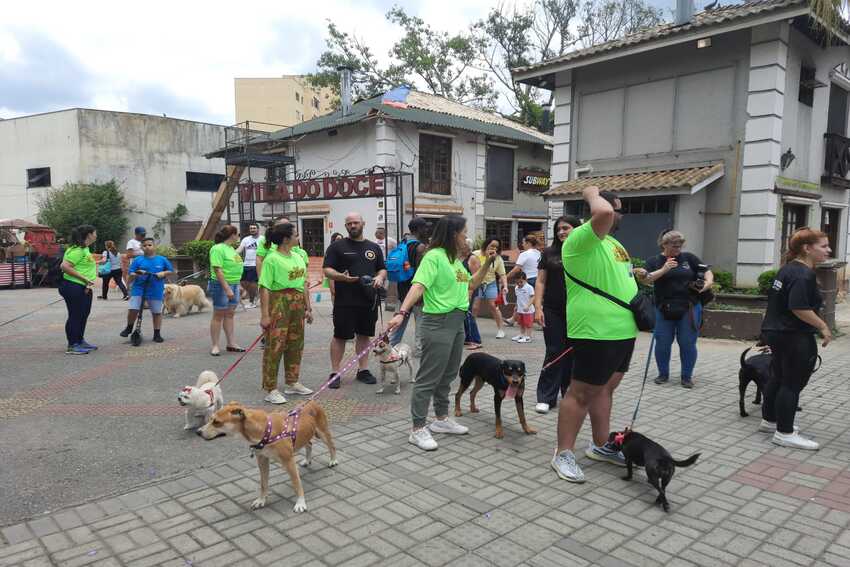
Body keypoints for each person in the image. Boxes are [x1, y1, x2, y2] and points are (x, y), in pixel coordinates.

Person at [386, 215, 496, 451]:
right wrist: (402, 313)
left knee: (447, 374)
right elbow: (419, 286)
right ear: (452, 234)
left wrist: (487, 264)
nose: (466, 237)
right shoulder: (433, 257)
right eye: (464, 232)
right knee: (428, 377)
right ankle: (417, 429)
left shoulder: (455, 261)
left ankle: (441, 419)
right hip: (437, 323)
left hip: (457, 323)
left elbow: (470, 284)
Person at [552, 188, 637, 483]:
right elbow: (602, 213)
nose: (619, 215)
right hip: (594, 331)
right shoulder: (580, 239)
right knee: (581, 393)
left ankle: (602, 446)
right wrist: (591, 192)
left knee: (604, 389)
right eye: (616, 208)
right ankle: (563, 453)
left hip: (623, 330)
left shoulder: (614, 244)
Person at [759, 228, 832, 450]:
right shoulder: (803, 274)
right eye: (824, 246)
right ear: (807, 249)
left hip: (776, 331)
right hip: (792, 334)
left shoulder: (787, 269)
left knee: (779, 377)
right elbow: (799, 307)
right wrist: (823, 326)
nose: (828, 250)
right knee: (792, 383)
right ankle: (785, 433)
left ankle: (770, 420)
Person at [637, 230, 714, 388]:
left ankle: (686, 377)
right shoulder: (654, 261)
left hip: (689, 307)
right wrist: (665, 269)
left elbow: (707, 272)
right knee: (663, 343)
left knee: (687, 343)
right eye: (674, 245)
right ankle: (663, 374)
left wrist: (707, 284)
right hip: (663, 308)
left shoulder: (689, 258)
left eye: (680, 245)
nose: (678, 248)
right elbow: (646, 280)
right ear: (664, 244)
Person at [322, 212, 386, 388]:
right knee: (340, 336)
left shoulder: (374, 248)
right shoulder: (337, 247)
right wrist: (341, 277)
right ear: (346, 226)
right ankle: (335, 373)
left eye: (356, 222)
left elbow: (382, 269)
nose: (353, 226)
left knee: (364, 336)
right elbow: (327, 269)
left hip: (368, 300)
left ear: (363, 223)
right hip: (345, 300)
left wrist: (380, 278)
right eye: (349, 223)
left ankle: (363, 370)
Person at [259, 223, 314, 404]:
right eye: (296, 234)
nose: (298, 237)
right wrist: (265, 315)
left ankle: (292, 382)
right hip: (278, 302)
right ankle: (271, 388)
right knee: (275, 346)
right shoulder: (271, 259)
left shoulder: (298, 256)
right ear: (286, 239)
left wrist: (308, 308)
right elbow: (265, 287)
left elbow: (303, 284)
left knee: (295, 344)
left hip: (297, 303)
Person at [533, 215, 581, 414]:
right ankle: (546, 396)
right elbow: (541, 281)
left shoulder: (584, 252)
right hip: (553, 310)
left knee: (573, 352)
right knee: (554, 350)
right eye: (558, 229)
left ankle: (568, 392)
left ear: (577, 229)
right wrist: (537, 307)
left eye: (566, 228)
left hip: (578, 310)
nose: (561, 232)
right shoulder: (550, 253)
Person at [388, 217, 430, 356]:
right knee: (420, 325)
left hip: (402, 291)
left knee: (398, 323)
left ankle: (389, 347)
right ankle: (419, 351)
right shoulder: (420, 247)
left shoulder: (403, 243)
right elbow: (421, 272)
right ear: (419, 230)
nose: (427, 230)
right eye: (425, 227)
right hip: (416, 293)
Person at [119, 238, 174, 343]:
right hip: (139, 288)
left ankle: (157, 334)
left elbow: (171, 271)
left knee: (157, 312)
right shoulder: (138, 260)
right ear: (141, 248)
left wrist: (163, 273)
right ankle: (129, 327)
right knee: (133, 308)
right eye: (144, 245)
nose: (147, 247)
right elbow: (131, 274)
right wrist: (133, 279)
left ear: (154, 246)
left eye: (150, 245)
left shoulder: (162, 259)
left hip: (155, 288)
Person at [59, 225, 98, 355]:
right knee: (75, 315)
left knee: (83, 314)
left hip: (83, 287)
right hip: (73, 286)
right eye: (94, 233)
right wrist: (84, 279)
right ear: (89, 235)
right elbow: (64, 266)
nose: (96, 235)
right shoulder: (78, 250)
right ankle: (72, 345)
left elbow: (82, 265)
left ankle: (80, 340)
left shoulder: (85, 249)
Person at [208, 225, 244, 356]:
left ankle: (231, 343)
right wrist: (227, 288)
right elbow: (218, 270)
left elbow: (235, 267)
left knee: (230, 314)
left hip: (234, 283)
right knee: (218, 314)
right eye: (237, 234)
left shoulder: (231, 249)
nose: (238, 237)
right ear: (232, 235)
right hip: (221, 284)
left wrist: (238, 284)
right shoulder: (217, 249)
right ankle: (215, 345)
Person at [471, 237, 508, 339]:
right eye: (492, 245)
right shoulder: (475, 254)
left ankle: (501, 330)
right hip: (477, 284)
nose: (494, 248)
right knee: (474, 307)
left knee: (493, 306)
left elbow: (502, 274)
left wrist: (505, 286)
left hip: (490, 283)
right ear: (486, 244)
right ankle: (471, 329)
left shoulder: (498, 258)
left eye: (496, 247)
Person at [460, 239, 482, 350]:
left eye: (463, 245)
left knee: (468, 314)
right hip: (461, 289)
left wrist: (469, 293)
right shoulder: (459, 257)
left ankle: (476, 340)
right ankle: (468, 338)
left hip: (470, 290)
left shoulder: (472, 258)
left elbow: (475, 278)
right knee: (464, 315)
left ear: (468, 247)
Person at [237, 223, 261, 308]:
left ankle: (252, 302)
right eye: (251, 228)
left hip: (256, 265)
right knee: (243, 282)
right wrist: (230, 254)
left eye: (254, 228)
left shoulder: (263, 239)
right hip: (246, 264)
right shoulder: (246, 239)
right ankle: (256, 294)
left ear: (258, 229)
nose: (252, 230)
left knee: (253, 284)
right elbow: (239, 250)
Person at [512, 271, 535, 343]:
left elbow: (533, 297)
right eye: (517, 282)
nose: (519, 284)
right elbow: (518, 297)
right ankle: (522, 335)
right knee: (521, 323)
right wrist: (516, 306)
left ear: (525, 280)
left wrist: (528, 306)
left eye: (521, 282)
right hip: (520, 309)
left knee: (528, 324)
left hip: (528, 310)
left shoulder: (529, 287)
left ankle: (528, 337)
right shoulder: (516, 288)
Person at [326, 232, 344, 303]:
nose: (340, 240)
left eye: (341, 239)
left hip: (342, 274)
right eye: (338, 239)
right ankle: (335, 310)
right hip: (332, 274)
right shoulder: (330, 250)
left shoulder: (344, 249)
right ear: (333, 240)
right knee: (333, 292)